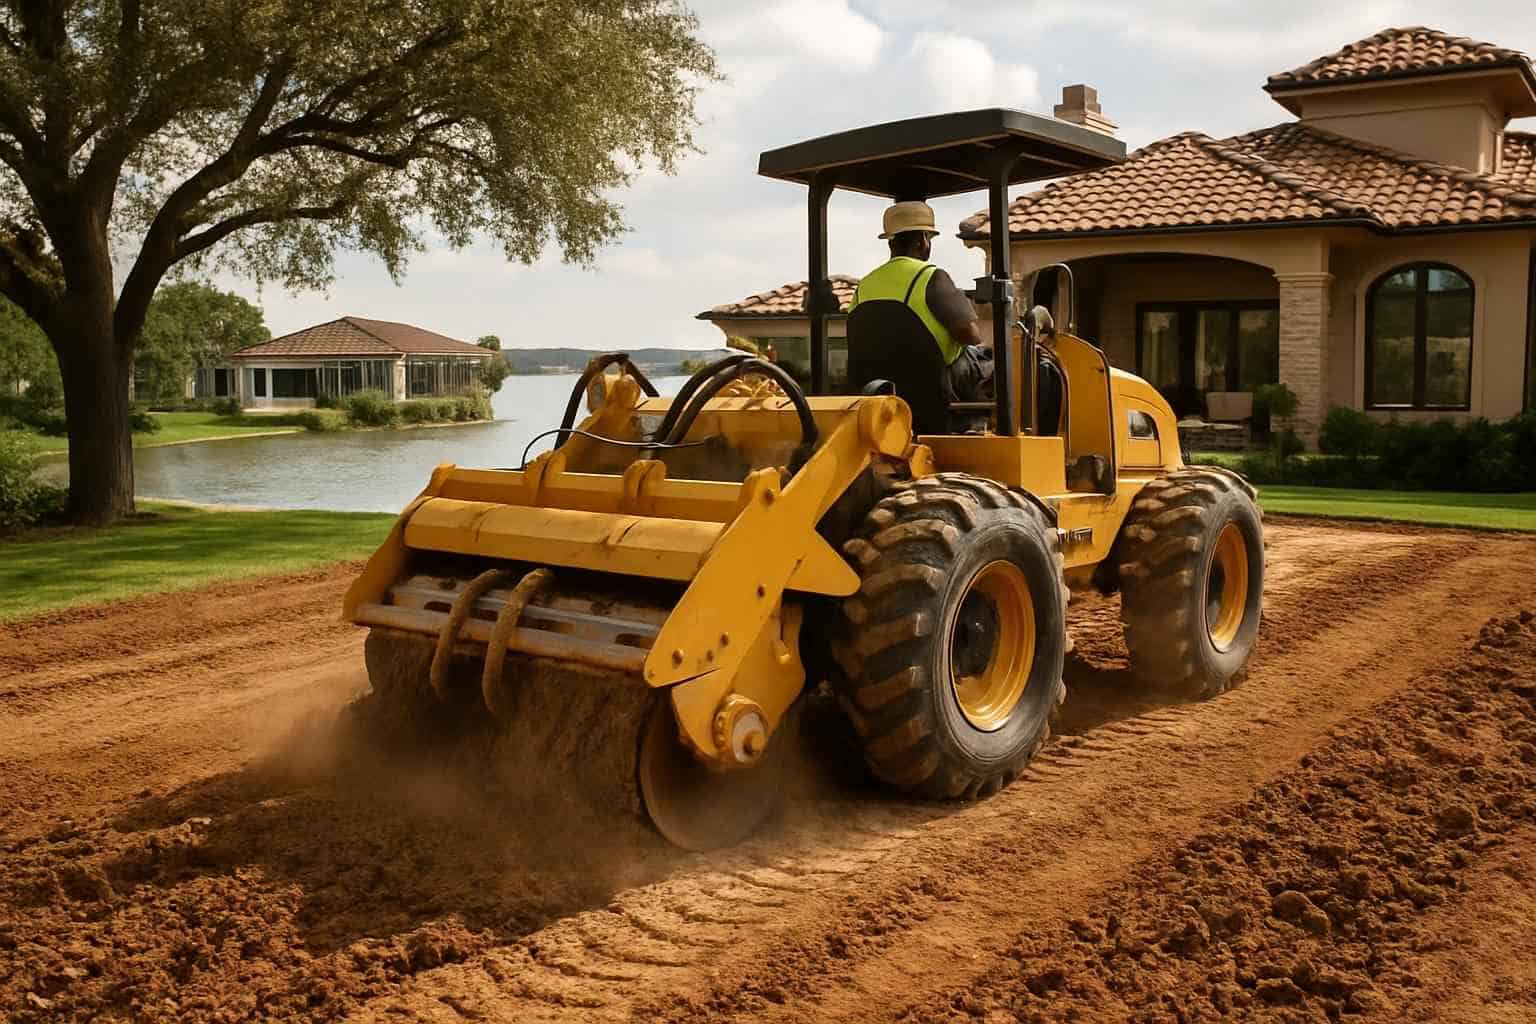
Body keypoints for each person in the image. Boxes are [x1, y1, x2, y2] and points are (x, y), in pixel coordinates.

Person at [848, 200, 993, 401]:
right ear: (923, 240)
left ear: (891, 243)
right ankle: (981, 424)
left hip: (879, 388)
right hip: (934, 383)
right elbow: (968, 334)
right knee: (989, 361)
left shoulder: (864, 285)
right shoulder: (931, 276)